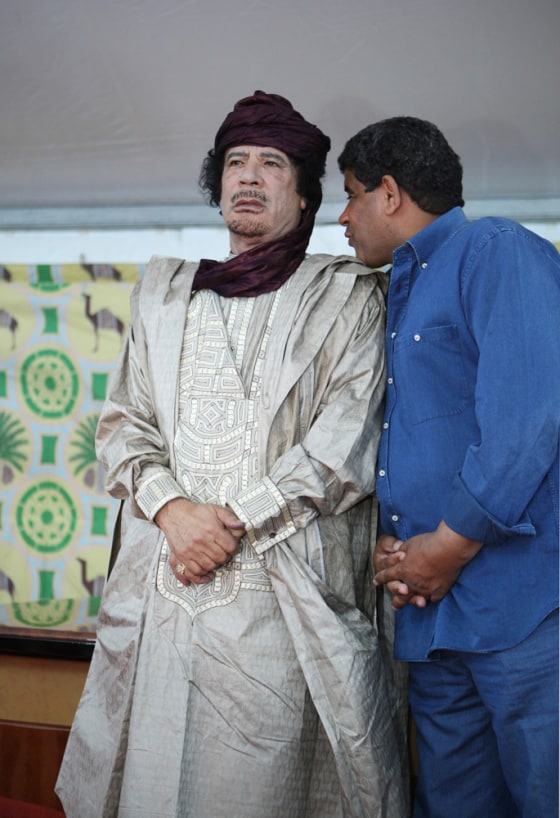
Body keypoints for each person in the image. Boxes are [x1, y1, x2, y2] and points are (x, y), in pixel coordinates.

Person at [56, 92, 409, 818]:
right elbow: (124, 427)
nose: (248, 177)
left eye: (272, 163)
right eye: (236, 162)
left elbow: (347, 441)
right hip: (165, 602)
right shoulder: (163, 293)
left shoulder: (350, 296)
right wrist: (177, 513)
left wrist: (232, 521)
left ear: (308, 194)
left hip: (285, 609)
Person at [337, 116, 560, 818]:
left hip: (523, 614)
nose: (340, 217)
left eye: (350, 195)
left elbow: (528, 422)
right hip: (433, 621)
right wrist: (400, 544)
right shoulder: (395, 292)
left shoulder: (494, 249)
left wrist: (451, 542)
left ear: (392, 193)